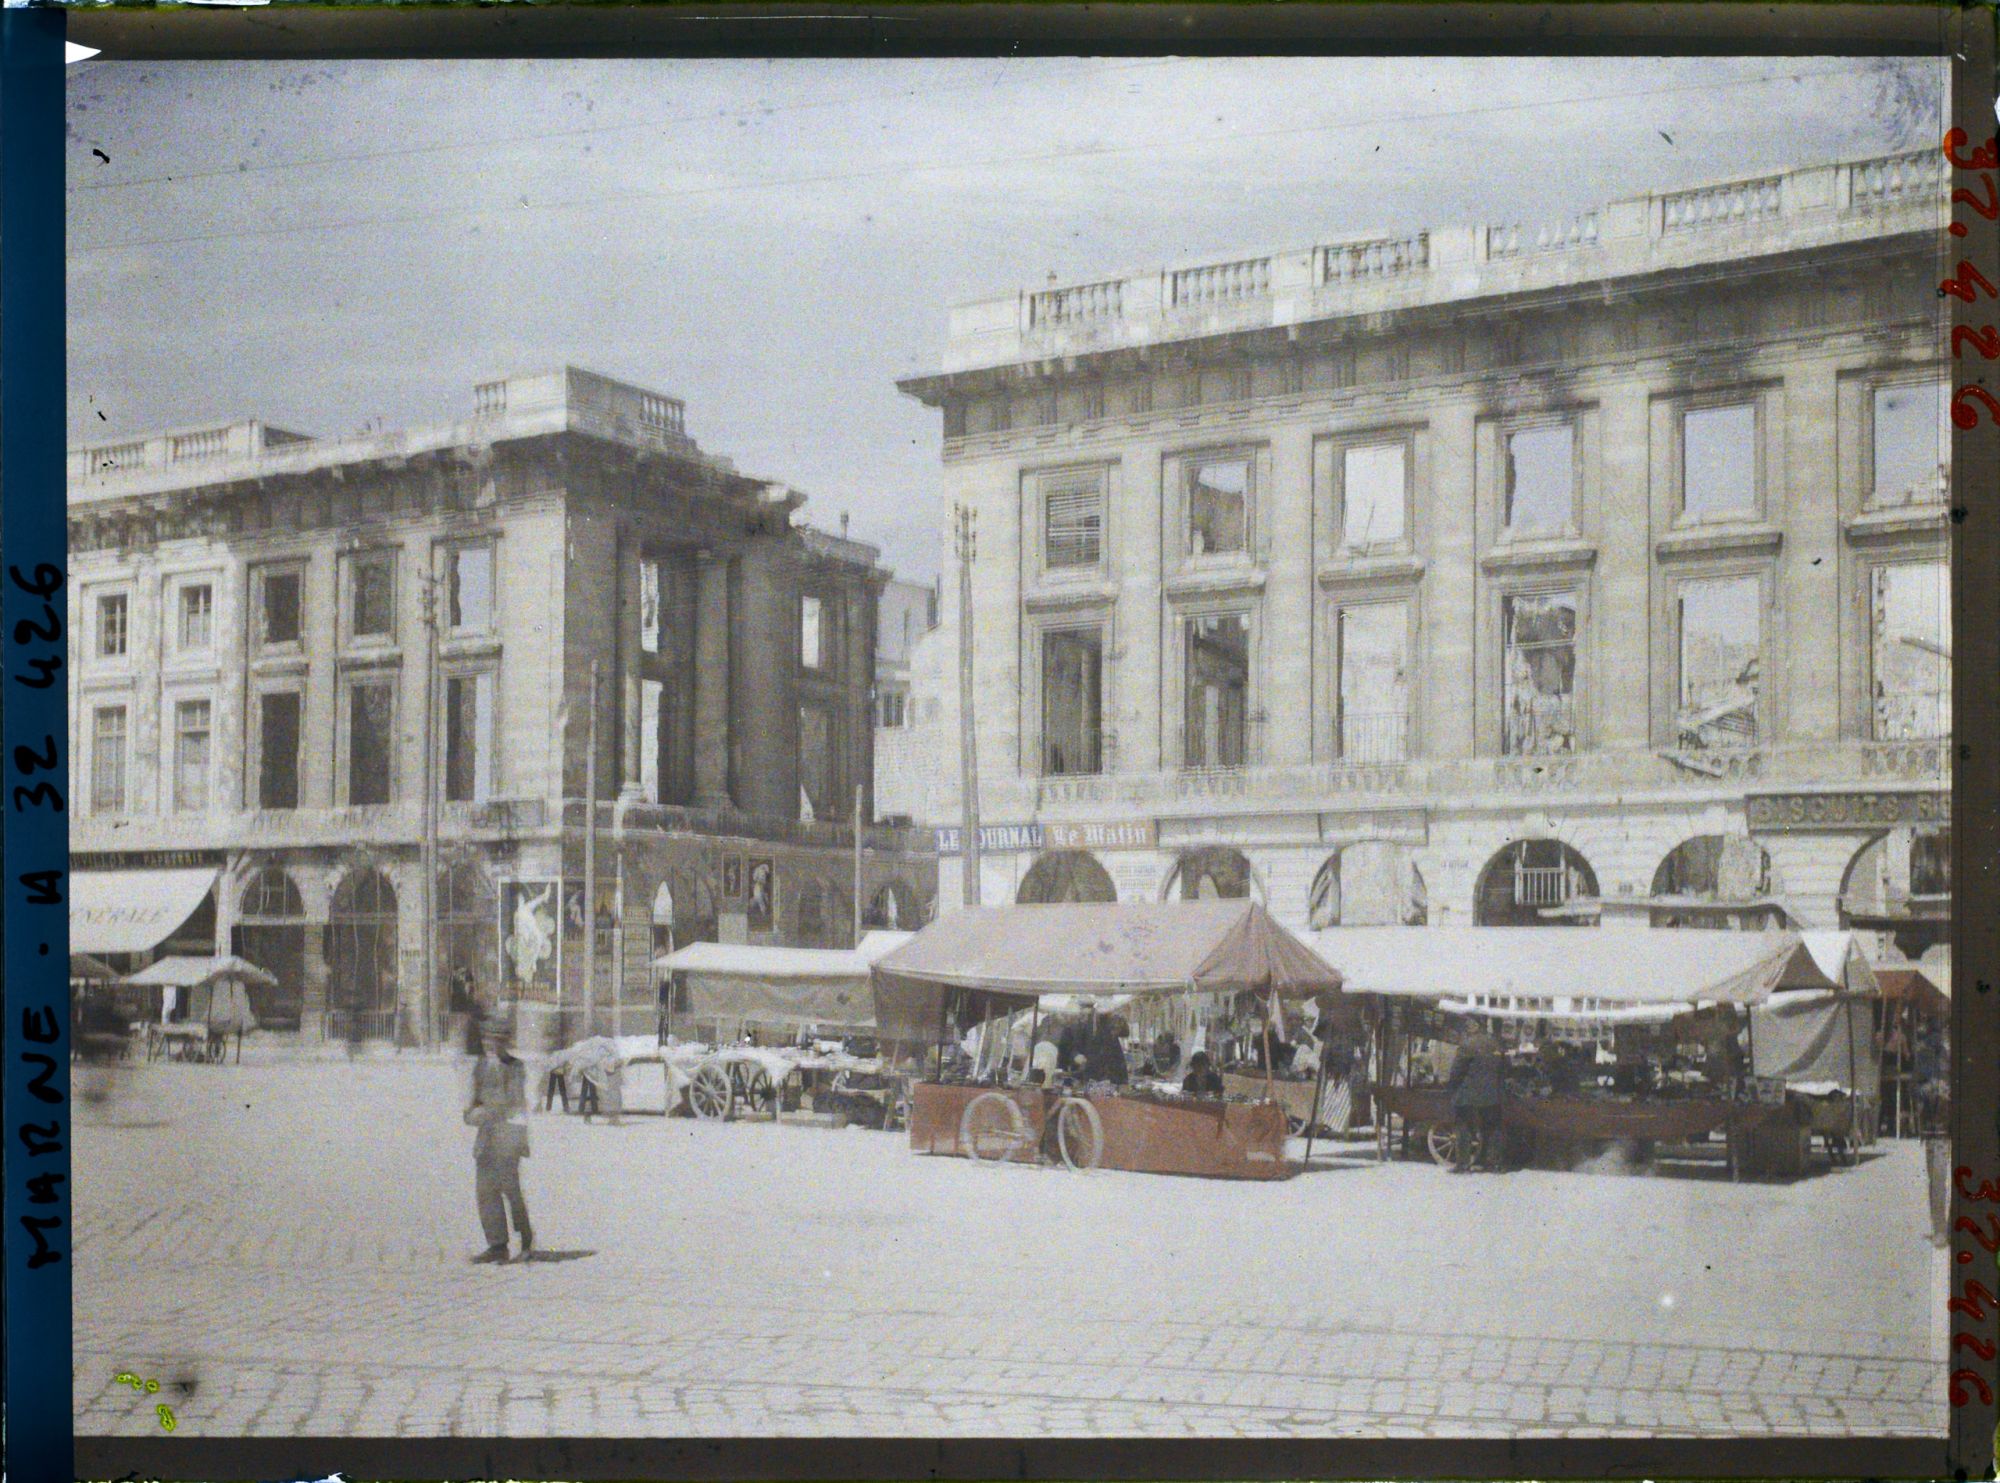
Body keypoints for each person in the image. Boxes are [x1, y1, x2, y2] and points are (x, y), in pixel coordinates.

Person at [464, 1015, 534, 1264]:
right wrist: (471, 1114)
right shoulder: (480, 1066)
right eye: (486, 1040)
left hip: (509, 1137)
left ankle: (525, 1240)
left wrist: (487, 1111)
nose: (489, 1045)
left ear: (505, 1042)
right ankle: (497, 1245)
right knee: (485, 1192)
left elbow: (513, 1102)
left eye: (495, 1041)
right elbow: (471, 1102)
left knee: (510, 1191)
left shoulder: (515, 1067)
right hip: (487, 1137)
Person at [1445, 1024, 1504, 1173]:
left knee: (1463, 1128)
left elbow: (1457, 1071)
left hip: (1468, 1094)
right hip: (1491, 1093)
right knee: (1491, 1128)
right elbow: (1504, 1068)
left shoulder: (1466, 1045)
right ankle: (1493, 1164)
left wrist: (1451, 1088)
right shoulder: (1496, 1044)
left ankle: (1463, 1165)